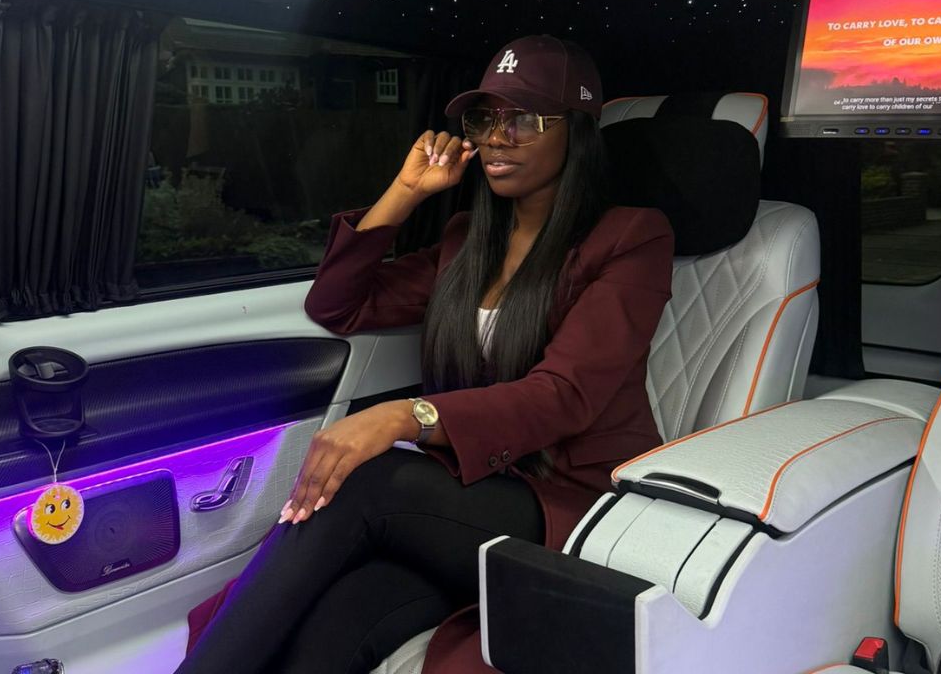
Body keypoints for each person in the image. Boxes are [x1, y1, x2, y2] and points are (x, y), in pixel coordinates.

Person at [175, 35, 674, 674]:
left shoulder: (631, 238)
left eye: (524, 120)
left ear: (575, 130)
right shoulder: (468, 239)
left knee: (366, 480)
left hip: (567, 501)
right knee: (336, 618)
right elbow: (338, 304)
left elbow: (565, 395)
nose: (497, 138)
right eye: (484, 120)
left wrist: (405, 416)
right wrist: (407, 190)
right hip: (473, 491)